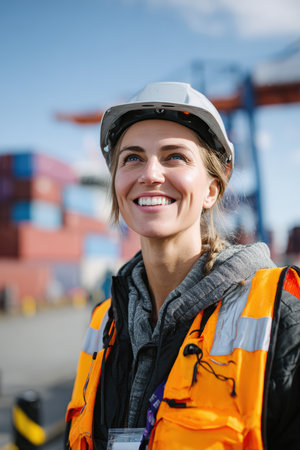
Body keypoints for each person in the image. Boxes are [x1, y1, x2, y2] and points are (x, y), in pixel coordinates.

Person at [65, 82, 300, 449]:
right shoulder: (103, 322)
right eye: (132, 157)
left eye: (174, 156)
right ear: (116, 184)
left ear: (212, 189)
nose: (151, 174)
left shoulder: (279, 315)